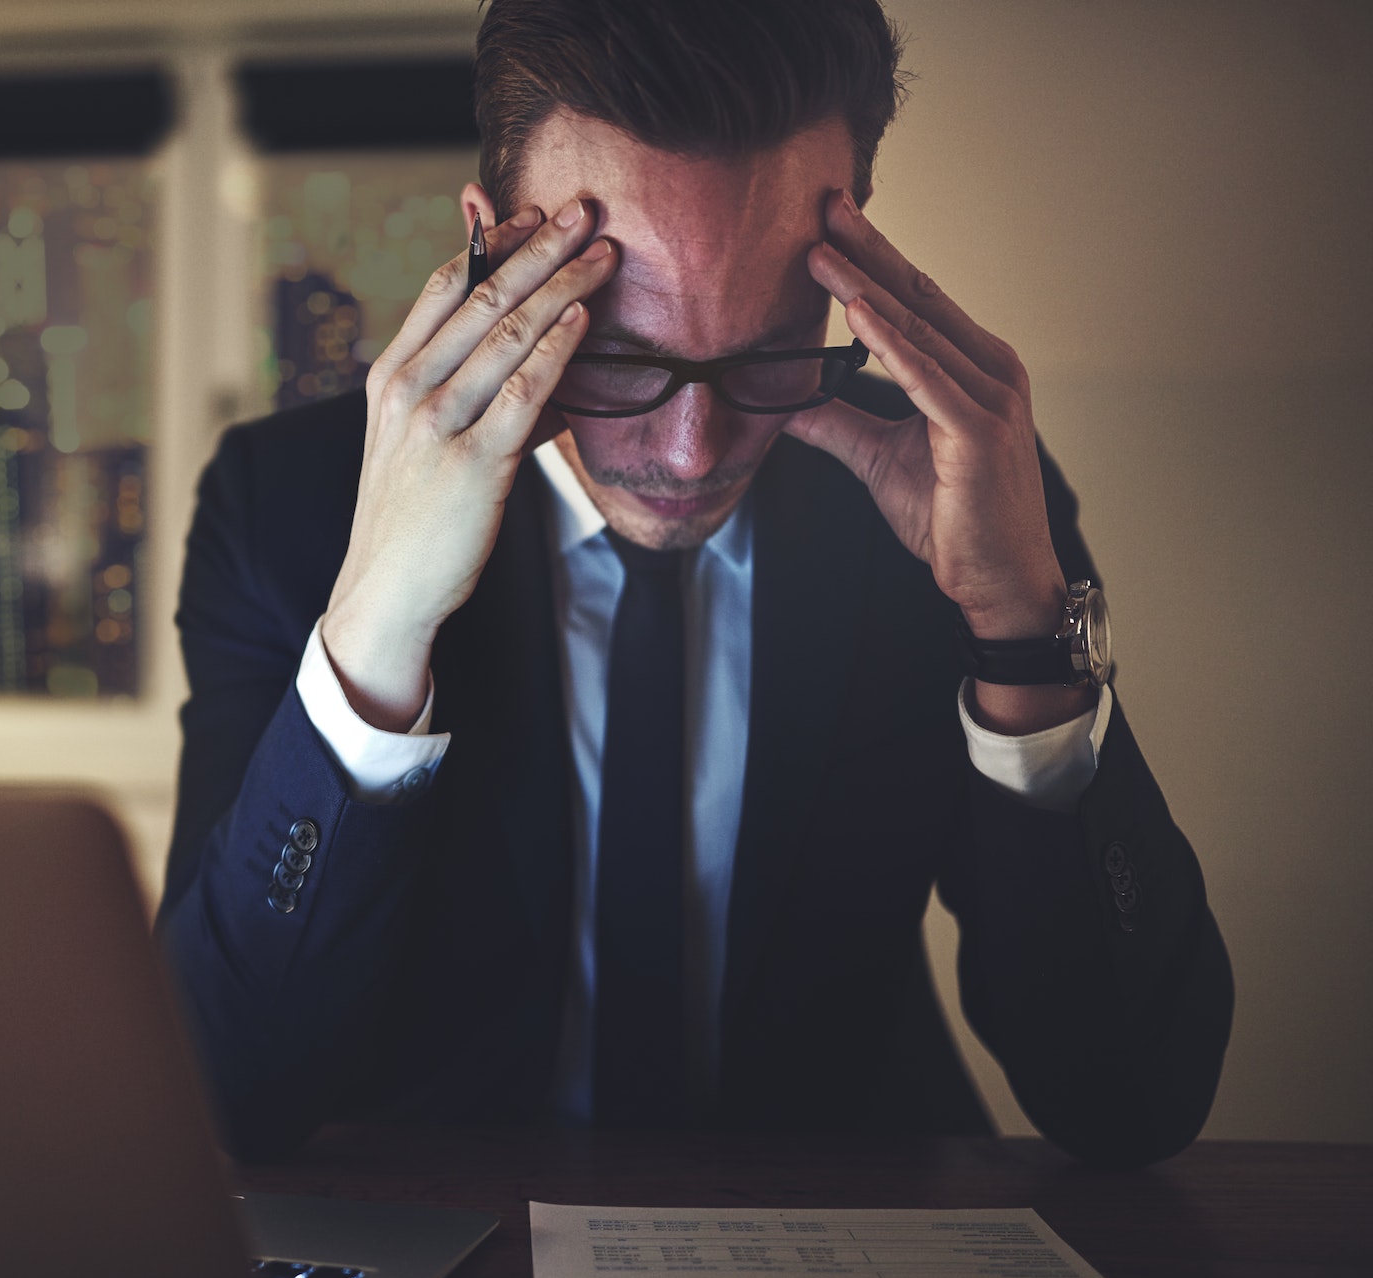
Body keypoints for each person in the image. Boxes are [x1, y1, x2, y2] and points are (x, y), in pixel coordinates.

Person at [156, 0, 1233, 1167]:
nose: (689, 449)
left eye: (770, 345)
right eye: (617, 350)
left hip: (861, 1229)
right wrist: (378, 618)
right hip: (448, 1233)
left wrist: (1022, 632)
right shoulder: (282, 512)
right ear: (487, 254)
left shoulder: (959, 493)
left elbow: (1133, 1102)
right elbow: (216, 1100)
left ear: (850, 257)